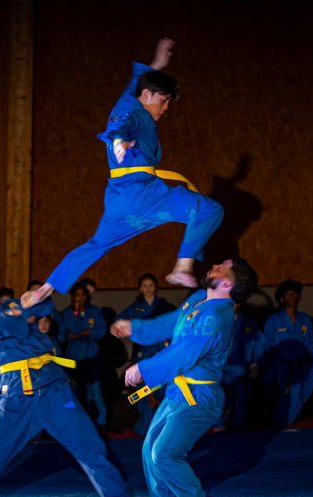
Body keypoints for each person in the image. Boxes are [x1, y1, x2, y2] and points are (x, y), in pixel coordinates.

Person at [0, 263, 144, 497]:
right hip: (16, 393)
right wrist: (23, 314)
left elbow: (45, 308)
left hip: (53, 385)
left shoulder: (14, 305)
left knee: (88, 443)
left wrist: (30, 302)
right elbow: (9, 327)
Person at [22, 38, 224, 308]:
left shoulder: (127, 100)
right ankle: (182, 267)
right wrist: (118, 140)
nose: (165, 108)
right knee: (209, 209)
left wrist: (158, 62)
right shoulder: (139, 115)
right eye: (163, 101)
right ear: (147, 96)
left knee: (96, 245)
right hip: (143, 193)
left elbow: (135, 83)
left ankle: (44, 290)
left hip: (119, 201)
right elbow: (122, 127)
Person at [114, 258, 258, 497]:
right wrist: (136, 328)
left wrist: (144, 368)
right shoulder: (198, 299)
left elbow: (185, 352)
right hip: (177, 391)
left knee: (165, 453)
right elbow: (172, 322)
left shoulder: (217, 317)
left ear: (227, 282)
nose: (214, 265)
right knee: (150, 450)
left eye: (221, 266)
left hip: (201, 397)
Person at [263, 279, 313, 428]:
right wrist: (270, 378)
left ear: (300, 297)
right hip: (286, 374)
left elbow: (311, 345)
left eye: (294, 293)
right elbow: (268, 349)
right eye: (288, 294)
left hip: (307, 368)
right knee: (285, 421)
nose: (291, 296)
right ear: (282, 299)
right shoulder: (273, 321)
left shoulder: (305, 319)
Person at [117, 274, 172, 434]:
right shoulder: (135, 308)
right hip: (142, 351)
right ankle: (144, 424)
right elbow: (118, 322)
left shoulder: (164, 306)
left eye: (151, 285)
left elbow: (175, 323)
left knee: (161, 386)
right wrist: (131, 332)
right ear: (140, 289)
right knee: (142, 387)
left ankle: (160, 425)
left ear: (156, 287)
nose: (148, 288)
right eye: (145, 285)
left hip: (160, 350)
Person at [58, 281, 108, 426]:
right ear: (72, 297)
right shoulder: (68, 313)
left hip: (92, 354)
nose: (80, 298)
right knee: (76, 390)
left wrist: (88, 333)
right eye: (77, 295)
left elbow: (101, 330)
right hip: (75, 356)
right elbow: (69, 332)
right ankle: (79, 423)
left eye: (83, 295)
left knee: (95, 391)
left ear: (87, 296)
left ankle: (101, 422)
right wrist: (76, 313)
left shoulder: (95, 311)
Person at [217, 304, 265, 430]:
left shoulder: (249, 322)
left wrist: (256, 365)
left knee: (238, 421)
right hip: (219, 374)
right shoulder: (214, 321)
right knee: (218, 419)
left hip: (243, 375)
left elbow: (261, 346)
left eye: (235, 300)